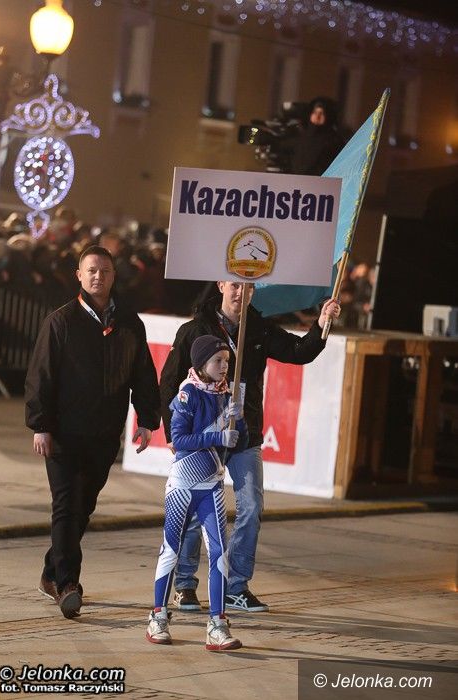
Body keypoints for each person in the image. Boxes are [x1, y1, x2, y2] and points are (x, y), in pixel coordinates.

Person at [160, 281, 341, 612]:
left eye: (247, 287)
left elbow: (299, 352)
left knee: (252, 505)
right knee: (197, 511)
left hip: (245, 434)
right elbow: (169, 380)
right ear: (221, 285)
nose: (240, 293)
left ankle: (236, 586)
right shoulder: (195, 329)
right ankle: (185, 585)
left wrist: (322, 323)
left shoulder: (259, 328)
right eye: (234, 286)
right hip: (204, 438)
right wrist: (173, 433)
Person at [25, 245, 161, 619]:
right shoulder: (61, 322)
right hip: (63, 435)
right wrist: (41, 425)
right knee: (66, 506)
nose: (98, 276)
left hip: (104, 434)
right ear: (79, 276)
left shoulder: (129, 323)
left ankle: (51, 573)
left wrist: (147, 419)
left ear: (114, 275)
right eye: (91, 270)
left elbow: (143, 374)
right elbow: (40, 376)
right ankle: (68, 584)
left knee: (83, 508)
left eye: (105, 270)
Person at [147, 335, 248, 650]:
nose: (224, 366)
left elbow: (239, 442)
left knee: (220, 554)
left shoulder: (228, 396)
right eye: (218, 361)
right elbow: (178, 440)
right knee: (171, 549)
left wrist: (239, 420)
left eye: (227, 361)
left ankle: (218, 624)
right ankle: (158, 617)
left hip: (211, 486)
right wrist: (218, 435)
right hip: (183, 486)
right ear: (201, 363)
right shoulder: (187, 393)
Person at [290, 96, 345, 176]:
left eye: (321, 113)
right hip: (297, 180)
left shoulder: (334, 141)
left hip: (321, 180)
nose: (317, 116)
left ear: (328, 116)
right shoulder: (301, 136)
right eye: (315, 112)